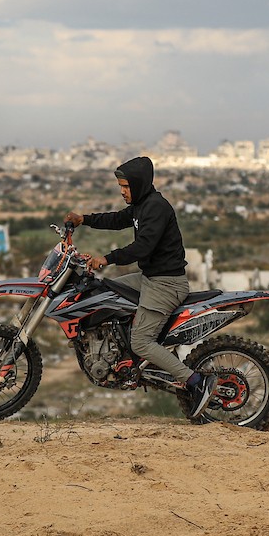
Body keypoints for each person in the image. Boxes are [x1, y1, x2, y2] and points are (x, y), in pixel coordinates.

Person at [64, 156, 217, 417]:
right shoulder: (141, 204)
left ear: (139, 183)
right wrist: (84, 220)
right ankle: (123, 353)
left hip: (166, 284)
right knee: (102, 290)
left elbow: (142, 247)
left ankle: (197, 382)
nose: (122, 191)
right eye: (120, 186)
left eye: (125, 186)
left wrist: (106, 259)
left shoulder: (156, 207)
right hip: (150, 278)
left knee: (142, 342)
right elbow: (116, 220)